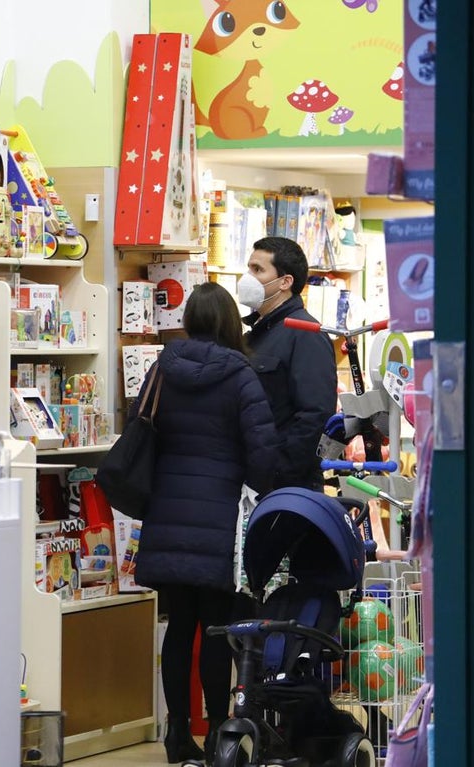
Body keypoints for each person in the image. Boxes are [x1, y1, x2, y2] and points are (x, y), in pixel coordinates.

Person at [129, 282, 281, 763]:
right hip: (217, 518)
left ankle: (176, 734)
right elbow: (262, 454)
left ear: (189, 319)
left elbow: (139, 423)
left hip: (168, 512)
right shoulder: (240, 376)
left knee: (179, 626)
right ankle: (219, 732)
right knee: (218, 627)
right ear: (230, 323)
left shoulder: (162, 367)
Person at [238, 236, 338, 489]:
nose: (247, 277)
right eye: (249, 268)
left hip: (285, 485)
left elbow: (315, 415)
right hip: (249, 479)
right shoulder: (255, 334)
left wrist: (278, 471)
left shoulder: (306, 334)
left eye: (258, 270)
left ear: (285, 282)